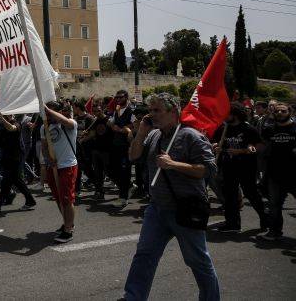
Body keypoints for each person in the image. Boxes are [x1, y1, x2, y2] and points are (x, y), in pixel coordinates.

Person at [123, 93, 220, 301]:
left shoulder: (191, 136)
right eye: (151, 110)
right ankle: (133, 296)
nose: (152, 115)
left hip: (185, 210)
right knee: (144, 255)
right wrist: (140, 133)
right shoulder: (154, 135)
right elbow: (133, 156)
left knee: (198, 261)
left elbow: (209, 169)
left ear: (173, 112)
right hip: (157, 209)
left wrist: (174, 164)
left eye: (157, 110)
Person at [212, 103, 267, 233]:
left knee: (251, 193)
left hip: (246, 167)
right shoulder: (223, 128)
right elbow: (216, 142)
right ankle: (233, 223)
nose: (224, 116)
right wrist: (215, 145)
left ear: (235, 114)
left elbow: (259, 146)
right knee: (230, 195)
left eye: (227, 113)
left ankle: (266, 219)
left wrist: (243, 151)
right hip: (228, 166)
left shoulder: (248, 129)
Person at [257, 102, 296, 240]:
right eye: (277, 111)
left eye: (283, 111)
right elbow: (262, 144)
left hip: (294, 174)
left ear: (289, 112)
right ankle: (274, 232)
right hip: (274, 173)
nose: (280, 113)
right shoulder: (269, 130)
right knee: (274, 205)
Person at [0, 114, 36, 216]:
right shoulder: (0, 125)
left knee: (6, 181)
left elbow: (11, 128)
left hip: (16, 156)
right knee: (16, 180)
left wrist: (2, 120)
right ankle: (30, 200)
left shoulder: (16, 123)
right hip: (7, 156)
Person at [43, 102, 78, 243]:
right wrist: (47, 158)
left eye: (50, 112)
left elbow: (64, 120)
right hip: (54, 167)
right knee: (58, 198)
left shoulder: (69, 124)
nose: (47, 115)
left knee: (67, 199)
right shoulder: (44, 127)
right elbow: (44, 146)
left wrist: (48, 110)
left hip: (68, 165)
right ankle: (66, 222)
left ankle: (68, 230)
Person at [108, 89, 135, 208]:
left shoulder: (131, 110)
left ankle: (123, 197)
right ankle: (129, 186)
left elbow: (135, 125)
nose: (118, 99)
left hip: (126, 145)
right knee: (113, 169)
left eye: (120, 97)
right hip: (116, 144)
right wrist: (113, 125)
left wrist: (122, 129)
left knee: (125, 171)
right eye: (116, 97)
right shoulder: (117, 110)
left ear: (126, 97)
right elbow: (111, 123)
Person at [82, 100, 114, 201]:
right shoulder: (95, 121)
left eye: (98, 110)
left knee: (110, 172)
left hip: (107, 150)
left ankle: (126, 187)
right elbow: (93, 134)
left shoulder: (109, 120)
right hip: (96, 150)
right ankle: (99, 192)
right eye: (94, 111)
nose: (97, 113)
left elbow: (114, 130)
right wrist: (83, 137)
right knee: (98, 173)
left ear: (102, 110)